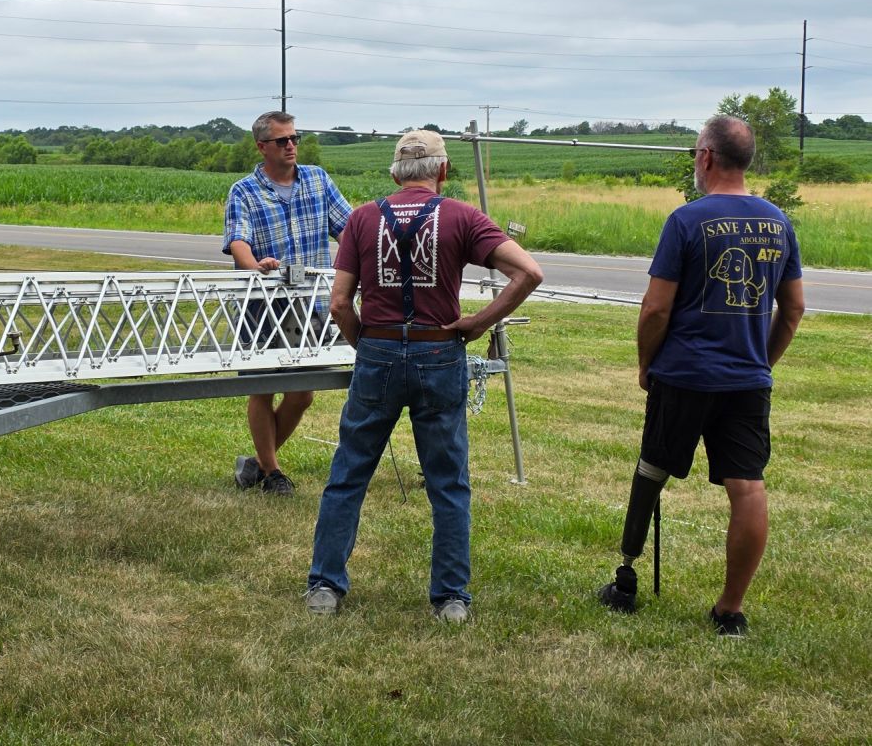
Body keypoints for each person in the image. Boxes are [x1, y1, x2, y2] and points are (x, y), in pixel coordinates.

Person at [305, 130, 543, 619]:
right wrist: (479, 322)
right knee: (447, 481)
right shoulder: (462, 217)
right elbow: (529, 272)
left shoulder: (362, 219)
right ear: (443, 170)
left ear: (395, 174)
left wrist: (366, 345)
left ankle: (325, 586)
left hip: (378, 351)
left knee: (349, 473)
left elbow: (339, 303)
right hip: (439, 353)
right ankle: (450, 597)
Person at [598, 115, 804, 638]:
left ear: (707, 157)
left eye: (696, 153)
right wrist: (761, 362)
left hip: (684, 374)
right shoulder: (778, 222)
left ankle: (625, 579)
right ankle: (730, 611)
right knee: (748, 487)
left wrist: (645, 363)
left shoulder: (686, 220)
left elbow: (655, 309)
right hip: (746, 382)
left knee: (652, 471)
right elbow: (794, 308)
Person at [223, 110, 353, 496]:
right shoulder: (243, 191)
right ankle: (273, 473)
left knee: (303, 392)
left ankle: (257, 464)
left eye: (295, 138)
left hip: (311, 307)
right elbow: (238, 240)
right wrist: (255, 267)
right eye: (282, 140)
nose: (292, 145)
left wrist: (357, 259)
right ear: (261, 147)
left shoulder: (317, 180)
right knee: (263, 387)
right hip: (261, 308)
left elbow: (349, 229)